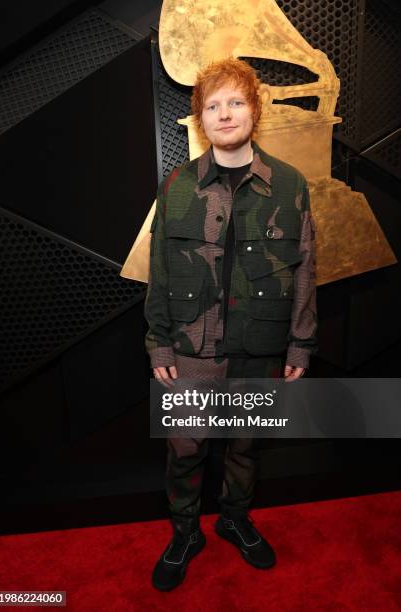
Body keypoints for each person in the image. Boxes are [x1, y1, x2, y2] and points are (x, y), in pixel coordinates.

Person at [144, 57, 317, 591]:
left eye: (235, 102)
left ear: (254, 110)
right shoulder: (176, 186)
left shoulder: (289, 185)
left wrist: (300, 346)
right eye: (212, 106)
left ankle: (234, 518)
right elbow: (159, 273)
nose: (224, 114)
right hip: (191, 349)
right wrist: (159, 349)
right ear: (201, 119)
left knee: (245, 444)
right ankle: (185, 531)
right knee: (186, 448)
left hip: (259, 346)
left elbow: (307, 268)